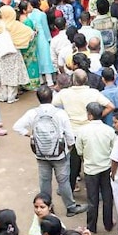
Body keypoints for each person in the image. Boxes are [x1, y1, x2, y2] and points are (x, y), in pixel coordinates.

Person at [13, 86, 86, 216]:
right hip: (59, 154)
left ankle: (47, 208)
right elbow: (69, 135)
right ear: (52, 97)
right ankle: (70, 207)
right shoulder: (60, 113)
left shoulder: (33, 113)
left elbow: (17, 126)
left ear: (38, 98)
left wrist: (30, 135)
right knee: (63, 181)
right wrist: (69, 147)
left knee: (45, 182)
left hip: (41, 153)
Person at [75, 102, 117, 233]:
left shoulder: (82, 131)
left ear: (90, 115)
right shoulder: (109, 130)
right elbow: (114, 150)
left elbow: (79, 151)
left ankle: (91, 227)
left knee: (92, 199)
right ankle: (108, 224)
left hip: (90, 169)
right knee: (107, 197)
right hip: (106, 167)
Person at [0, 5, 32, 103]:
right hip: (13, 50)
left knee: (1, 73)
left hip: (0, 51)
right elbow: (29, 33)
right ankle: (11, 97)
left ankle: (2, 96)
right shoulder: (16, 24)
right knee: (12, 73)